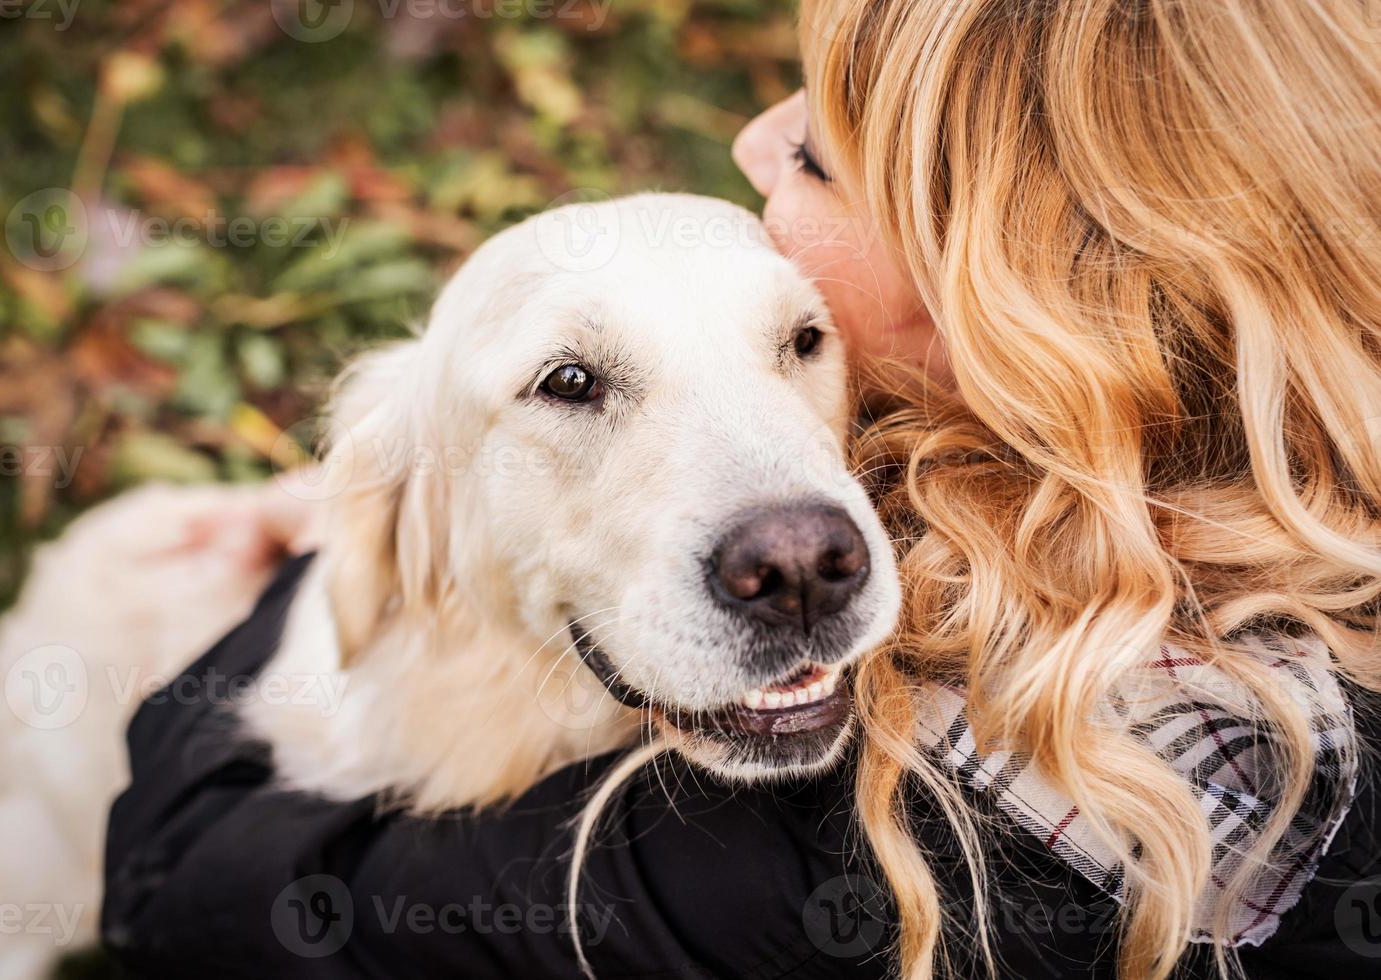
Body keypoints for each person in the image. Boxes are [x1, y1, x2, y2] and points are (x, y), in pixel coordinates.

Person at [101, 1, 1381, 977]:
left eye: (816, 157)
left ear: (1015, 283)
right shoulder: (1211, 447)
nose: (747, 140)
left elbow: (171, 897)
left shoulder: (963, 806)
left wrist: (324, 557)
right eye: (572, 383)